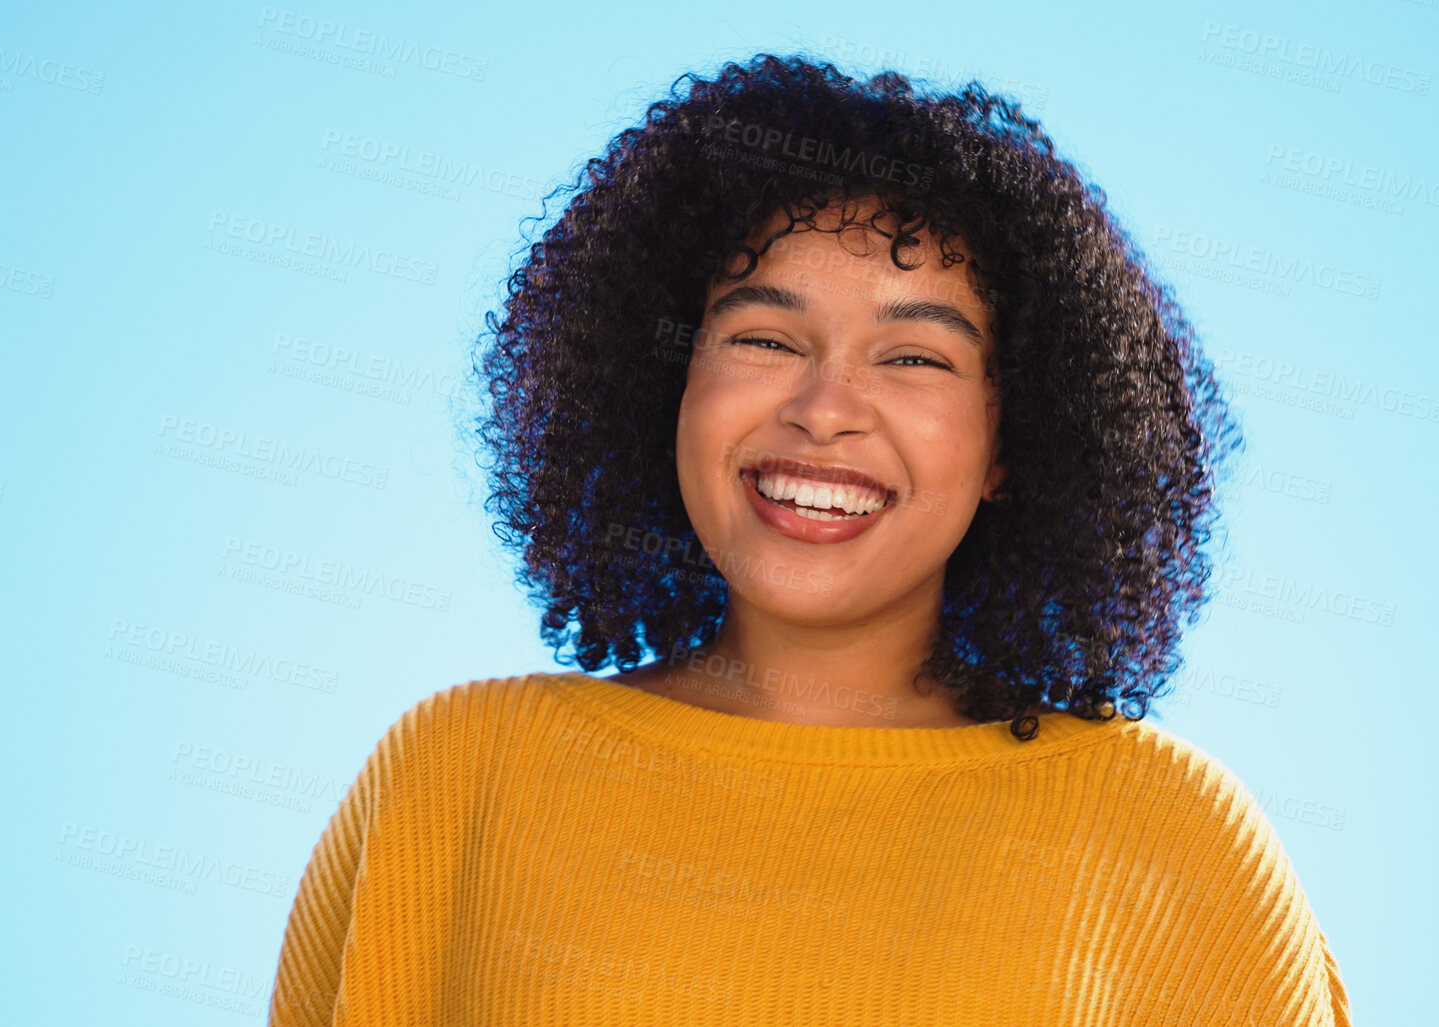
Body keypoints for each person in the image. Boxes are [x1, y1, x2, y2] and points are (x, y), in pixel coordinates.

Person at [268, 53, 1351, 1025]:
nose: (825, 407)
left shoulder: (1171, 835)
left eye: (916, 357)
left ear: (1013, 441)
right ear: (669, 388)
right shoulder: (460, 775)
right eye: (767, 337)